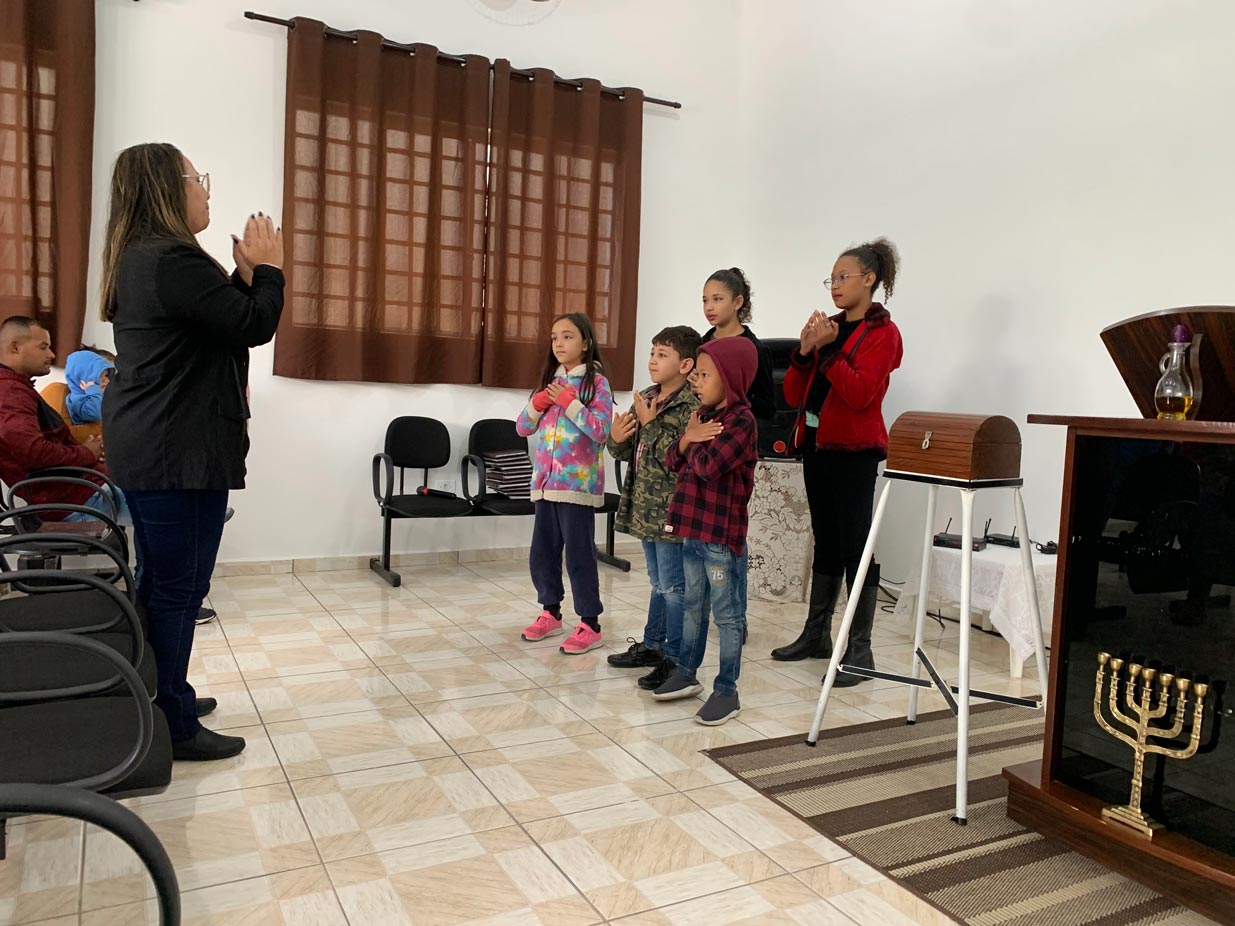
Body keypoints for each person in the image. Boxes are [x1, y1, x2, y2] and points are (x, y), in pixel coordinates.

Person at [99, 142, 284, 761]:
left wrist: (243, 279)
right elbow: (252, 325)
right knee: (178, 589)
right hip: (174, 449)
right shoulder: (170, 257)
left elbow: (218, 321)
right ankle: (172, 724)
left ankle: (160, 694)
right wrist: (270, 270)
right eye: (197, 178)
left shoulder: (148, 257)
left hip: (160, 444)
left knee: (166, 583)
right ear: (167, 187)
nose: (206, 190)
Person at [771, 238, 904, 687]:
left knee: (855, 545)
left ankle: (861, 650)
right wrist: (805, 351)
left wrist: (826, 352)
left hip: (854, 452)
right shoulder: (828, 328)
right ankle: (817, 636)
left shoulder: (883, 333)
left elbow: (860, 393)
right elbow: (793, 394)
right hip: (816, 447)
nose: (835, 285)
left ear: (869, 279)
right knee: (825, 541)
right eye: (831, 278)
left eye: (843, 277)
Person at [651, 337, 759, 725]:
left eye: (704, 375)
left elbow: (709, 466)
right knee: (694, 607)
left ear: (730, 378)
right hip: (692, 532)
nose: (696, 382)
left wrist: (690, 441)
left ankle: (727, 691)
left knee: (727, 616)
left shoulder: (742, 422)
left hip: (720, 539)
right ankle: (686, 672)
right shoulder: (701, 416)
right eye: (695, 374)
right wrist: (687, 438)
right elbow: (670, 459)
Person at [606, 326, 702, 690]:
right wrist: (615, 438)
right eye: (652, 352)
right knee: (659, 583)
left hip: (672, 510)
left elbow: (673, 458)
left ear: (686, 364)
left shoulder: (691, 406)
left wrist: (649, 424)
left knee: (674, 588)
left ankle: (674, 658)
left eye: (663, 355)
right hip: (644, 506)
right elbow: (624, 451)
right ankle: (652, 644)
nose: (653, 361)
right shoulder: (646, 397)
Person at [515, 312, 614, 655]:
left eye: (568, 336)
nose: (559, 343)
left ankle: (590, 623)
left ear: (586, 343)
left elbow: (601, 430)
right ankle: (550, 612)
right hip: (544, 484)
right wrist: (538, 402)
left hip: (577, 487)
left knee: (579, 555)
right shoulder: (550, 382)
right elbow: (522, 427)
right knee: (542, 552)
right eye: (555, 337)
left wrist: (569, 403)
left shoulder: (597, 385)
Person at [0, 318, 111, 515]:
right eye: (43, 347)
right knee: (160, 501)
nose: (51, 354)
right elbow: (33, 451)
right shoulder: (10, 392)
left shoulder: (18, 388)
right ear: (15, 348)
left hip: (83, 488)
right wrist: (87, 452)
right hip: (75, 498)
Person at [699, 268, 775, 421]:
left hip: (737, 429)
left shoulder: (756, 349)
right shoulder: (701, 345)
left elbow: (768, 408)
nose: (709, 307)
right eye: (705, 300)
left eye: (717, 299)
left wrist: (728, 395)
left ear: (737, 302)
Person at [65, 347, 116, 426]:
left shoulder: (100, 394)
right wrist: (93, 390)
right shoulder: (77, 399)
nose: (106, 380)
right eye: (98, 376)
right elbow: (96, 414)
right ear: (82, 378)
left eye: (106, 375)